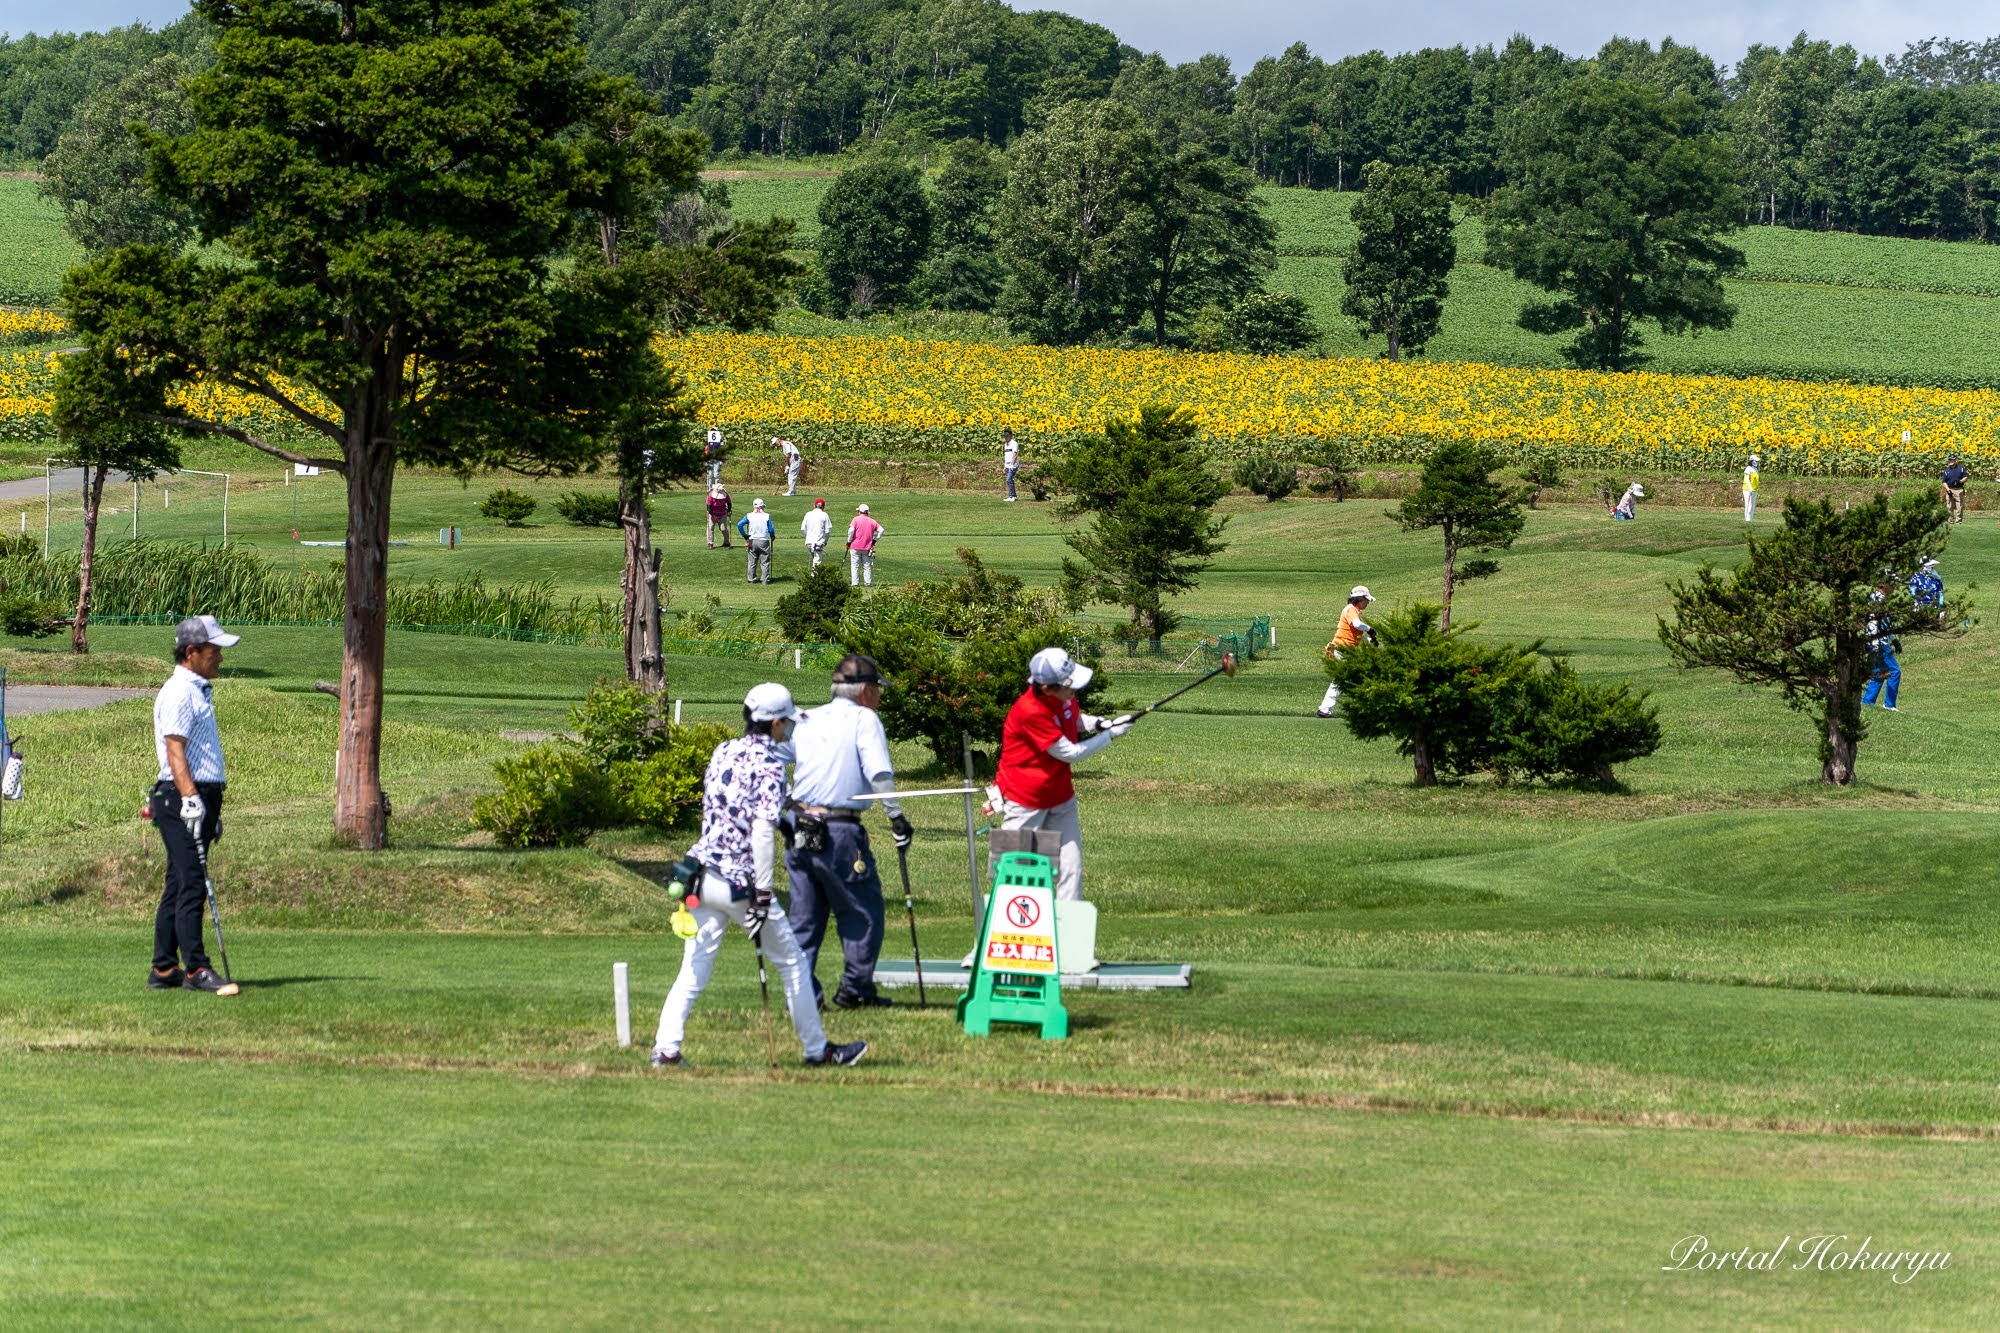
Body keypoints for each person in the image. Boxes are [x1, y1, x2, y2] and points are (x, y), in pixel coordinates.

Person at [650, 683, 866, 1069]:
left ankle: (666, 1049)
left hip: (701, 875)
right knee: (793, 964)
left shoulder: (724, 751)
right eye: (788, 723)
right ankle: (817, 1050)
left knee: (694, 967)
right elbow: (761, 831)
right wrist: (764, 891)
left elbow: (735, 807)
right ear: (777, 722)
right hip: (741, 885)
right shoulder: (771, 764)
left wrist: (788, 819)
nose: (790, 730)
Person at [785, 654, 910, 1009]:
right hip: (839, 829)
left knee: (805, 916)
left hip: (800, 823)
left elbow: (777, 757)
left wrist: (785, 803)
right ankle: (855, 988)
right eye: (878, 690)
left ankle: (802, 994)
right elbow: (879, 772)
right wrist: (896, 817)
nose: (879, 697)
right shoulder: (864, 718)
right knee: (862, 909)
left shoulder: (808, 718)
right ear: (865, 691)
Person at [994, 647, 1129, 903]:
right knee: (1014, 872)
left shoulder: (1064, 695)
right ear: (1046, 688)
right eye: (1070, 685)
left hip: (1060, 797)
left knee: (1071, 869)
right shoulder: (1030, 711)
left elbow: (1073, 718)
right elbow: (1069, 753)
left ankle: (1067, 938)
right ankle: (997, 938)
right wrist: (1110, 735)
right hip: (1024, 801)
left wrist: (1102, 723)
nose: (1074, 690)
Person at [148, 615, 240, 994]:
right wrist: (190, 799)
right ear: (192, 652)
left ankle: (164, 968)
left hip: (197, 796)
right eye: (213, 650)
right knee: (191, 883)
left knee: (178, 881)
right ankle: (196, 969)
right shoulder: (179, 691)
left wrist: (208, 807)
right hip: (180, 796)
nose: (220, 656)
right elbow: (175, 750)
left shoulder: (197, 688)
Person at [1316, 586, 1375, 718]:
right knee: (1345, 678)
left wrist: (1369, 640)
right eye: (1367, 600)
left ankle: (1325, 709)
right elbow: (1356, 624)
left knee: (1344, 678)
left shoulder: (1355, 611)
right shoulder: (1350, 610)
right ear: (1360, 599)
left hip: (1346, 649)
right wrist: (1370, 629)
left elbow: (1356, 633)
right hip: (1343, 649)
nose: (1368, 603)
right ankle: (1326, 709)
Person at [1861, 582, 1900, 712]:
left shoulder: (1880, 599)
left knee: (1879, 673)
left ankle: (1867, 703)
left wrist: (1894, 640)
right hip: (1879, 643)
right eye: (1892, 584)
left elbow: (1886, 624)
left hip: (1878, 642)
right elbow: (1873, 623)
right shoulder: (1877, 600)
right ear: (1884, 585)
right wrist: (1875, 644)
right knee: (1894, 672)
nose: (1894, 587)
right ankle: (1889, 705)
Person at [847, 503, 882, 587]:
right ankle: (868, 582)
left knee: (855, 565)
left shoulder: (855, 520)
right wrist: (874, 541)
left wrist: (848, 541)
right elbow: (881, 530)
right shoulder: (872, 521)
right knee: (866, 565)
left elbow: (851, 531)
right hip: (867, 546)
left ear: (860, 511)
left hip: (855, 546)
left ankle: (855, 583)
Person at [743, 497, 775, 584]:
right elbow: (771, 529)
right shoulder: (767, 516)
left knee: (752, 561)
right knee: (765, 561)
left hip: (752, 540)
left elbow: (739, 525)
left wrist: (745, 535)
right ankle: (765, 580)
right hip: (763, 540)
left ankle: (751, 579)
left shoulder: (749, 515)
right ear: (762, 507)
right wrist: (772, 536)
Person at [801, 497, 833, 569]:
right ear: (823, 507)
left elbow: (803, 528)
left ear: (814, 505)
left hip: (809, 542)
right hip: (819, 542)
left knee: (815, 559)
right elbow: (827, 531)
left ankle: (813, 577)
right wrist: (825, 541)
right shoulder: (824, 515)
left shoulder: (808, 514)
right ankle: (815, 578)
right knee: (817, 561)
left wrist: (807, 536)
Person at [1909, 557, 1944, 623]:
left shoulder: (1937, 579)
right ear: (1923, 566)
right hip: (1920, 606)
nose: (1932, 567)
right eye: (1930, 565)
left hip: (1933, 607)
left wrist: (1941, 608)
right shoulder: (1916, 578)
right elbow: (1912, 592)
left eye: (1933, 565)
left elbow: (1940, 595)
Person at [1941, 455, 1967, 524]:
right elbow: (1944, 482)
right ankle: (1950, 521)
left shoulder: (1961, 469)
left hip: (1959, 489)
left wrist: (1960, 481)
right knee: (1949, 506)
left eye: (1952, 460)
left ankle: (1958, 521)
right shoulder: (1946, 470)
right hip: (1950, 489)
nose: (1950, 461)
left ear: (1955, 460)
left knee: (1959, 507)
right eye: (1949, 460)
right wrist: (1948, 489)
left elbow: (1965, 477)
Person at [1003, 428, 1020, 502]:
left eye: (1007, 436)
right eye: (1005, 436)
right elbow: (1006, 456)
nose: (1006, 437)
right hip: (1007, 465)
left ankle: (1012, 496)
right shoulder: (1006, 444)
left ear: (1011, 436)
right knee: (1010, 480)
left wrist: (1012, 464)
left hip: (1013, 465)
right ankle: (1012, 496)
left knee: (1009, 480)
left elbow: (1015, 454)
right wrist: (1005, 466)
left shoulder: (1014, 443)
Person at [1742, 454, 1759, 523]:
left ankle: (1750, 520)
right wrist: (1750, 488)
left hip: (1755, 489)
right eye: (1756, 461)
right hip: (1747, 489)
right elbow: (1746, 479)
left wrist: (1754, 488)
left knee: (1752, 506)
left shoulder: (1756, 469)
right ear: (1752, 461)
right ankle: (1747, 520)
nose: (1757, 462)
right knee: (1748, 505)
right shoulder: (1748, 468)